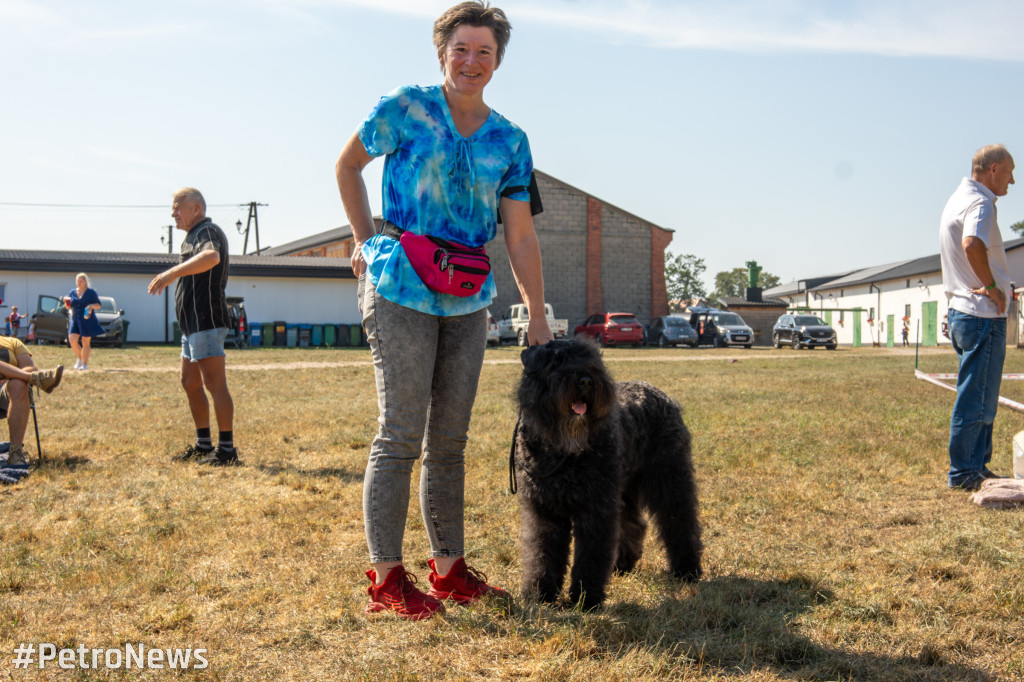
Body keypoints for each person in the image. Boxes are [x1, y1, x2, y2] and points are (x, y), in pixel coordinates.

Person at [336, 0, 553, 620]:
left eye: (485, 51)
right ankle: (386, 579)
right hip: (400, 285)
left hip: (468, 296)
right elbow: (348, 165)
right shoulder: (405, 106)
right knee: (401, 435)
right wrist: (361, 239)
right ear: (442, 54)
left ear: (498, 62)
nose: (472, 61)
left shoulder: (510, 140)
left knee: (451, 440)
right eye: (461, 48)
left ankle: (450, 569)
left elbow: (519, 235)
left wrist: (537, 313)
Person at [939, 144, 1015, 491]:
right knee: (977, 397)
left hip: (962, 310)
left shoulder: (957, 198)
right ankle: (966, 472)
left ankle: (976, 467)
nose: (1012, 182)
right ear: (993, 169)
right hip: (980, 313)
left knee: (980, 393)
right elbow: (972, 244)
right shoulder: (981, 202)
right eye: (1010, 173)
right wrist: (991, 286)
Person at [148, 188, 239, 466]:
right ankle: (203, 445)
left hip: (206, 321)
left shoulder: (207, 232)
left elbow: (211, 257)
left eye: (177, 207)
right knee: (189, 382)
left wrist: (170, 273)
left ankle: (226, 451)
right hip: (191, 325)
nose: (173, 213)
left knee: (214, 383)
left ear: (196, 209)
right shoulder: (192, 236)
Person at [0, 336, 64, 467]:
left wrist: (11, 375)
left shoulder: (12, 342)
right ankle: (37, 379)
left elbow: (30, 367)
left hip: (5, 393)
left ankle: (15, 453)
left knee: (18, 384)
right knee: (25, 378)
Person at [64, 273, 103, 370]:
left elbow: (98, 305)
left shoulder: (91, 292)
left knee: (85, 342)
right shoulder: (72, 292)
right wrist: (66, 303)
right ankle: (80, 358)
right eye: (77, 281)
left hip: (87, 319)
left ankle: (84, 364)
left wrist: (91, 306)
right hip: (75, 319)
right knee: (72, 340)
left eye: (80, 281)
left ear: (85, 281)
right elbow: (68, 307)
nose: (78, 283)